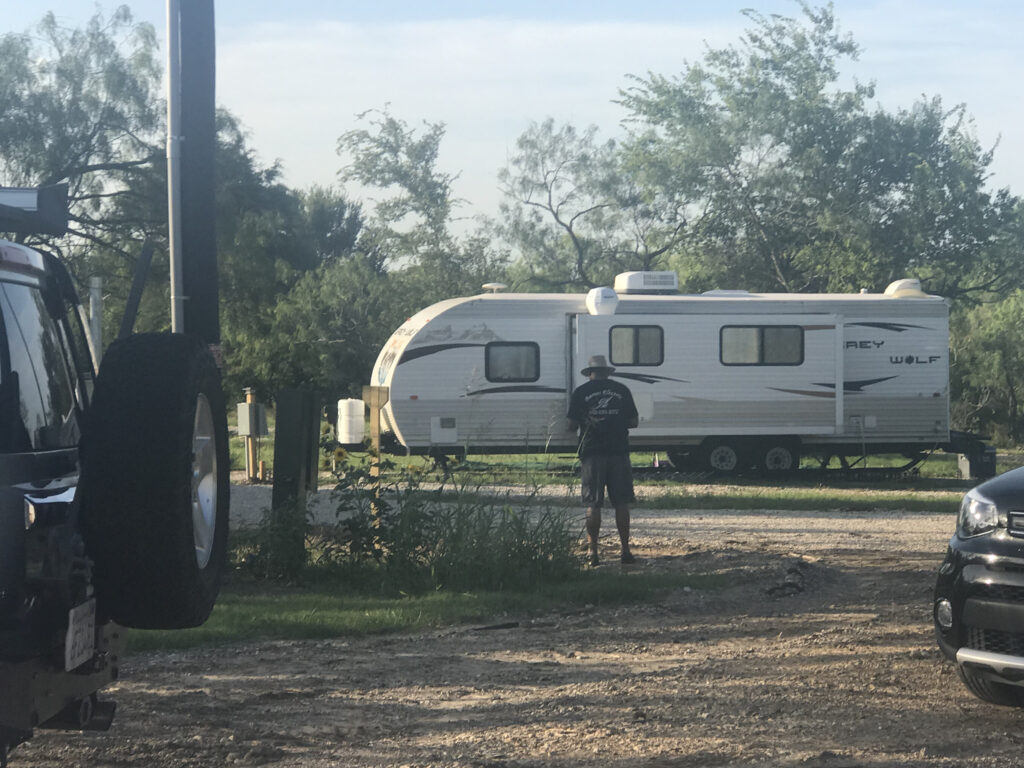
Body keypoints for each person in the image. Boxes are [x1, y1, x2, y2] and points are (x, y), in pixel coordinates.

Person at [567, 354, 639, 566]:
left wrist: (587, 420)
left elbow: (570, 426)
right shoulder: (622, 390)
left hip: (592, 453)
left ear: (590, 373)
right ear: (607, 372)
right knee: (621, 503)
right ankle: (625, 551)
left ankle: (592, 552)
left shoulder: (580, 392)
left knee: (593, 504)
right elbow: (634, 421)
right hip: (618, 452)